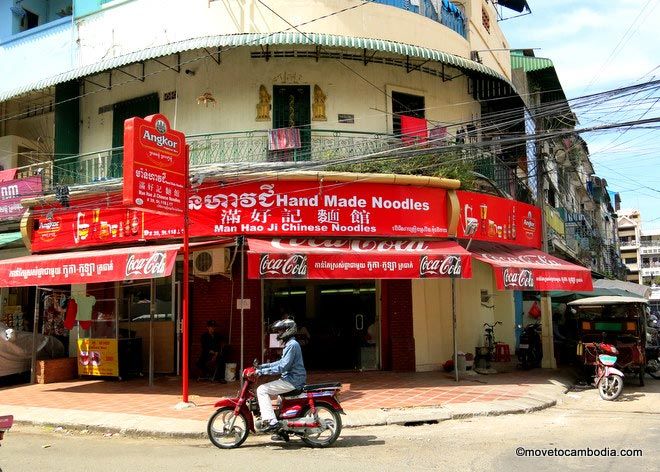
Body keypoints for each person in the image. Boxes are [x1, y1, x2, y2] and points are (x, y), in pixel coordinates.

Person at [255, 318, 306, 434]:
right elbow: (280, 363)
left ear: (288, 330)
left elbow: (283, 367)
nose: (279, 333)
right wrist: (262, 367)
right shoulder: (290, 344)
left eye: (281, 331)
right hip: (291, 379)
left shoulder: (292, 345)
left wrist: (262, 372)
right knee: (278, 404)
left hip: (293, 380)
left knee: (262, 390)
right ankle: (281, 432)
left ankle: (272, 422)